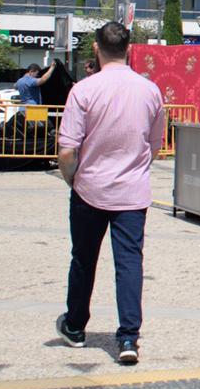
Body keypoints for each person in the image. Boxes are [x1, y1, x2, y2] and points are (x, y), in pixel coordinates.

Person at [54, 22, 166, 366]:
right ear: (129, 48)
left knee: (83, 258)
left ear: (96, 48)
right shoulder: (149, 90)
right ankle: (129, 335)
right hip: (131, 190)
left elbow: (67, 149)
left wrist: (72, 178)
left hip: (90, 187)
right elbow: (156, 144)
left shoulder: (84, 90)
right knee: (130, 262)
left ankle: (75, 324)